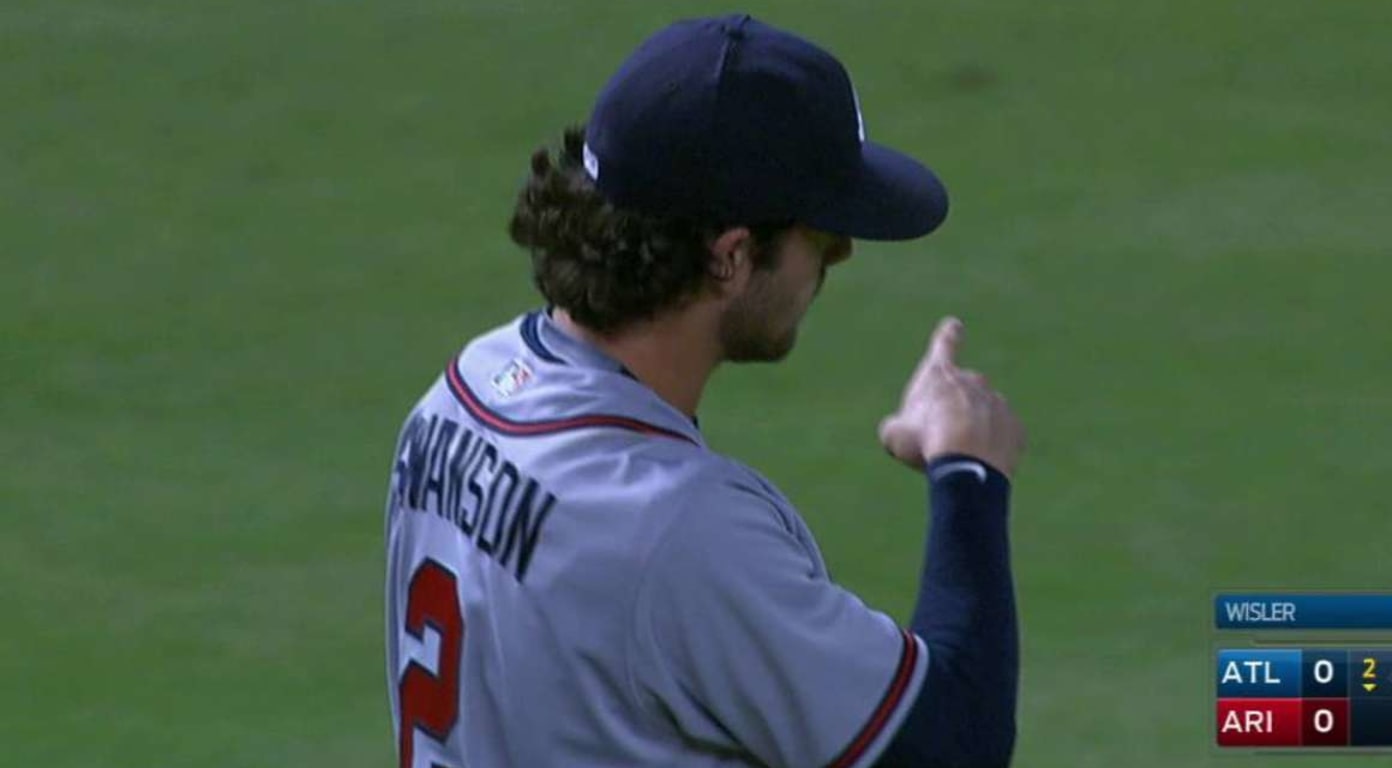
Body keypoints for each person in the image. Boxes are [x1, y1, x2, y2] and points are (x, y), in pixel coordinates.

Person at [384, 13, 1024, 768]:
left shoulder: (459, 395)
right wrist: (968, 471)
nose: (842, 252)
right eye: (818, 231)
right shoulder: (677, 529)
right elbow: (952, 746)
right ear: (731, 255)